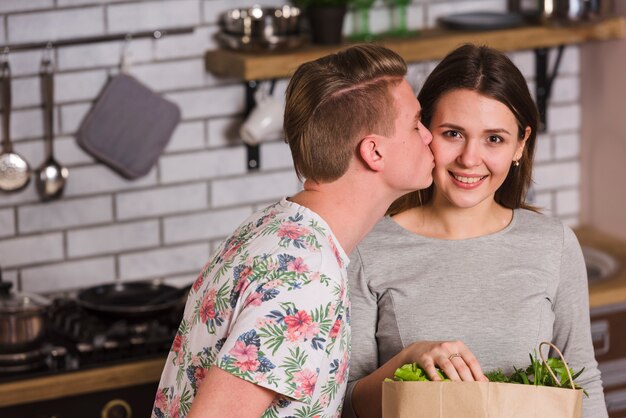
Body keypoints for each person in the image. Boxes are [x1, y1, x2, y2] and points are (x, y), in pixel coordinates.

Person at [151, 43, 435, 418]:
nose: (429, 136)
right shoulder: (305, 276)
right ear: (374, 152)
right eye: (416, 123)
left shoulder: (272, 226)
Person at [343, 44, 607, 418]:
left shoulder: (554, 244)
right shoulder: (369, 250)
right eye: (453, 133)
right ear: (424, 133)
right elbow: (346, 403)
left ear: (520, 144)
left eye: (494, 139)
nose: (470, 158)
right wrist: (407, 359)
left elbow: (583, 382)